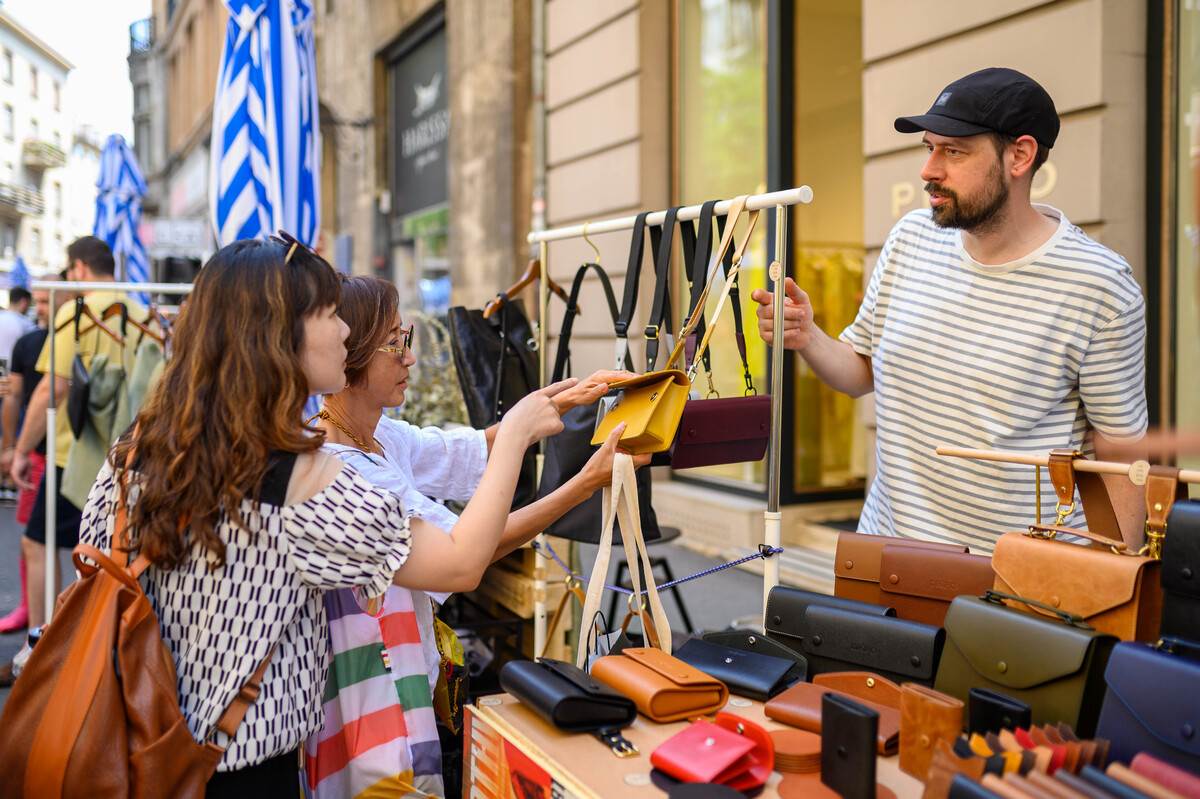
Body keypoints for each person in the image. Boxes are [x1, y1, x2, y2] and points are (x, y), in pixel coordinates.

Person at [74, 235, 571, 793]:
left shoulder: (138, 447)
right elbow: (460, 563)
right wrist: (518, 435)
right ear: (278, 334)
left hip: (133, 746)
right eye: (330, 314)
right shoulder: (296, 478)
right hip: (243, 769)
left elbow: (93, 566)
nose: (342, 331)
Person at [752, 67, 1148, 553]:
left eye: (954, 151)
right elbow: (860, 372)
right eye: (929, 148)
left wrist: (1123, 583)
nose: (929, 170)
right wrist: (807, 337)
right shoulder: (910, 239)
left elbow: (1120, 451)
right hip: (886, 555)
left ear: (1020, 155)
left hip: (1015, 582)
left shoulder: (1099, 285)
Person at [303, 276, 642, 797]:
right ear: (346, 354)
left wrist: (562, 399)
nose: (409, 358)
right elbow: (464, 556)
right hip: (369, 704)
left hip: (394, 678)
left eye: (406, 336)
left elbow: (464, 450)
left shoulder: (373, 434)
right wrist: (583, 481)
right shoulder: (341, 467)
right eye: (395, 343)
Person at [4, 238, 141, 676]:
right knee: (110, 553)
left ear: (79, 269)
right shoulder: (140, 314)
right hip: (126, 456)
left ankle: (45, 645)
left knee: (38, 544)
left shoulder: (77, 314)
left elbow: (52, 387)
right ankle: (98, 645)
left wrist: (20, 450)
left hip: (73, 457)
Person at [0, 280, 61, 633]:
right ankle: (30, 610)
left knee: (39, 540)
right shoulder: (28, 343)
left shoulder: (76, 340)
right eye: (38, 301)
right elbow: (13, 397)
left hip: (69, 454)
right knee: (33, 537)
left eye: (47, 300)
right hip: (37, 454)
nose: (42, 307)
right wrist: (11, 448)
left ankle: (47, 627)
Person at [0, 286, 33, 503]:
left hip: (4, 378)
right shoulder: (24, 324)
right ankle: (10, 482)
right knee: (12, 432)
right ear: (23, 302)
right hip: (13, 382)